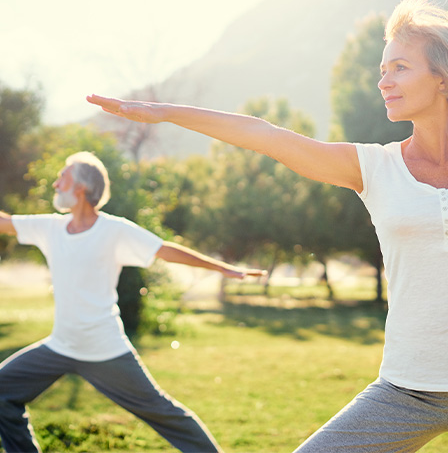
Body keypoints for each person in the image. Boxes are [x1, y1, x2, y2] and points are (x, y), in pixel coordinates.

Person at [87, 0, 448, 452]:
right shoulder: (373, 167)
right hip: (406, 389)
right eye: (381, 70)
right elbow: (264, 136)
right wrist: (163, 112)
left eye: (399, 68)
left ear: (443, 76)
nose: (383, 82)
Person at [0, 151, 266, 453]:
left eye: (63, 177)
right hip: (60, 345)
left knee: (164, 413)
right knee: (2, 393)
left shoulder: (113, 230)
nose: (55, 183)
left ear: (82, 188)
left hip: (105, 350)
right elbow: (5, 222)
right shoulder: (50, 228)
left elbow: (164, 250)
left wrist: (223, 268)